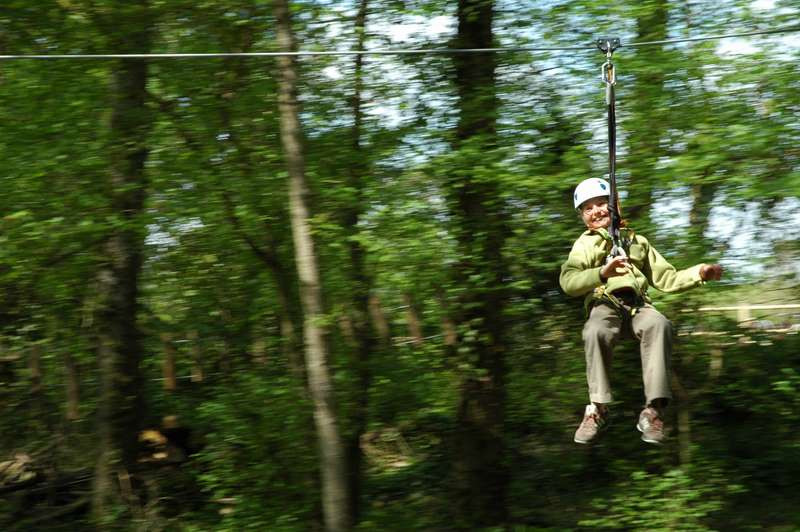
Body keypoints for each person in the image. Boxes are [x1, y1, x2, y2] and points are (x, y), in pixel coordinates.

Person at [560, 178, 723, 445]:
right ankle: (597, 408)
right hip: (605, 303)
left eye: (602, 204)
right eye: (588, 208)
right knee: (595, 330)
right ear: (582, 216)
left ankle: (653, 410)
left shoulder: (637, 242)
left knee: (660, 324)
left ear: (616, 207)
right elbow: (568, 282)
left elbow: (667, 278)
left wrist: (700, 273)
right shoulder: (585, 245)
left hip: (638, 305)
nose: (597, 211)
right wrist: (602, 272)